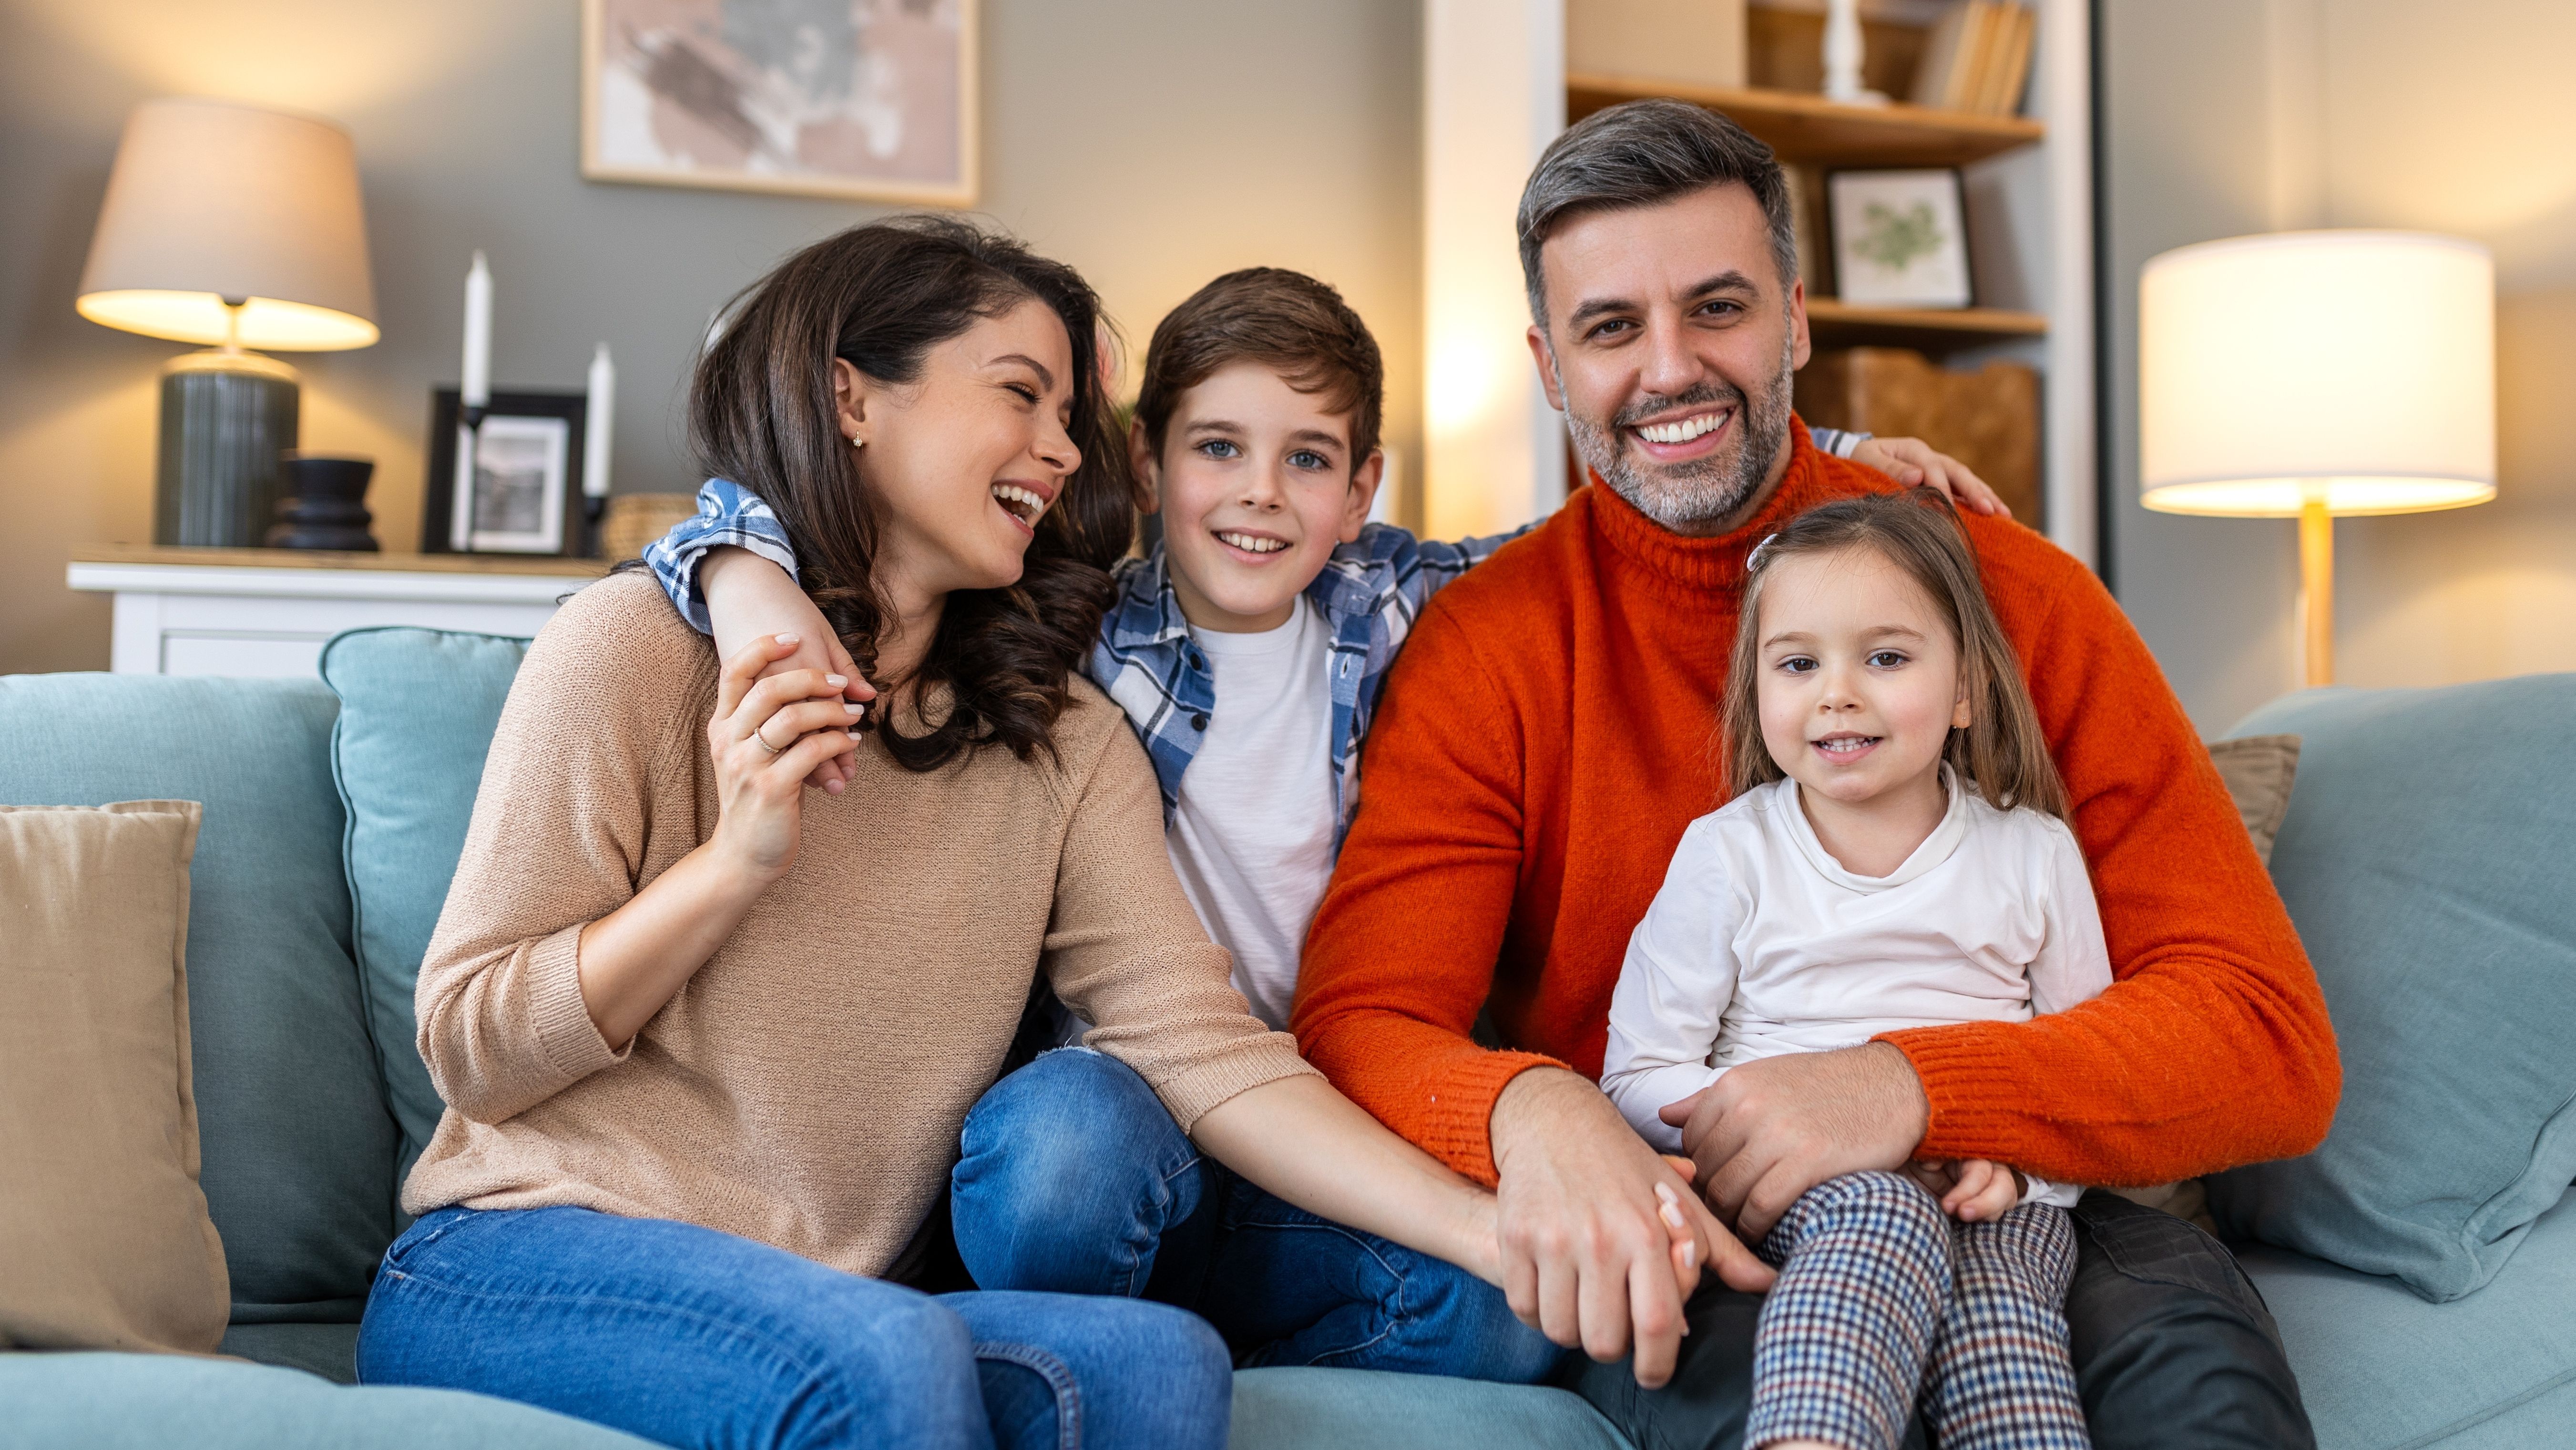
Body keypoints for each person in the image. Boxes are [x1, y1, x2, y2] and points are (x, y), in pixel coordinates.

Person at [642, 267, 1993, 1379]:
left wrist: (1833, 467)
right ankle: (1096, 1348)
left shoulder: (1405, 603)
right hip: (1134, 1114)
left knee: (1521, 1312)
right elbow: (753, 514)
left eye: (1307, 461)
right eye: (1216, 449)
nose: (1258, 496)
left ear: (1360, 488)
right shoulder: (1064, 625)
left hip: (1340, 1129)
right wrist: (736, 565)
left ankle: (1184, 1347)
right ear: (1146, 458)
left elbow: (1632, 528)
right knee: (1059, 1154)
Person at [356, 217, 1541, 1450]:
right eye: (1021, 394)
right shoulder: (639, 649)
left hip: (850, 1299)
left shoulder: (1058, 734)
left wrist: (1483, 1233)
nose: (1055, 447)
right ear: (850, 399)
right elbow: (471, 1050)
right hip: (523, 1257)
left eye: (1067, 413)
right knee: (888, 1355)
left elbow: (1203, 1049)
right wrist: (735, 864)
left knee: (1157, 1364)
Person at [1289, 98, 2340, 1445]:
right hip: (1721, 1218)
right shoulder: (1491, 642)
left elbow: (2263, 1037)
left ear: (1794, 320)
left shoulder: (2013, 595)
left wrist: (1903, 1083)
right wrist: (1536, 1105)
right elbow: (1361, 1018)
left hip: (2034, 1210)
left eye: (1715, 308)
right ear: (1552, 368)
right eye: (1612, 329)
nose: (1669, 369)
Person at [1605, 492, 2108, 1450]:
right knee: (1879, 1214)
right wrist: (1774, 1118)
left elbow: (2085, 1070)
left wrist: (2017, 1167)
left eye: (1884, 657)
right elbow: (1634, 1076)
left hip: (1991, 1199)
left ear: (1963, 689)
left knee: (2003, 1325)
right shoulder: (1728, 854)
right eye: (1797, 663)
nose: (1836, 692)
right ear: (1758, 692)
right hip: (1804, 1191)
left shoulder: (2033, 854)